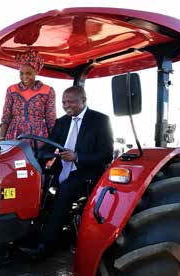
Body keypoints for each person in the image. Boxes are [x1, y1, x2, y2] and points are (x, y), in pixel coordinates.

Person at [22, 85, 114, 258]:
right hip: (62, 168)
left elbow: (106, 154)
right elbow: (48, 145)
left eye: (70, 101)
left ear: (83, 101)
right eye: (64, 102)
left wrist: (77, 157)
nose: (66, 105)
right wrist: (30, 155)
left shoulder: (100, 120)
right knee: (35, 188)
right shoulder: (62, 122)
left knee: (64, 192)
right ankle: (26, 235)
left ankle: (46, 245)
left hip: (86, 172)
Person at [0, 49, 56, 142]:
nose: (24, 77)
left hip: (38, 136)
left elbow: (51, 119)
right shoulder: (12, 90)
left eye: (28, 73)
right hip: (14, 135)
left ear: (36, 72)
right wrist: (1, 139)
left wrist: (53, 141)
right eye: (21, 73)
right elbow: (6, 117)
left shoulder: (48, 91)